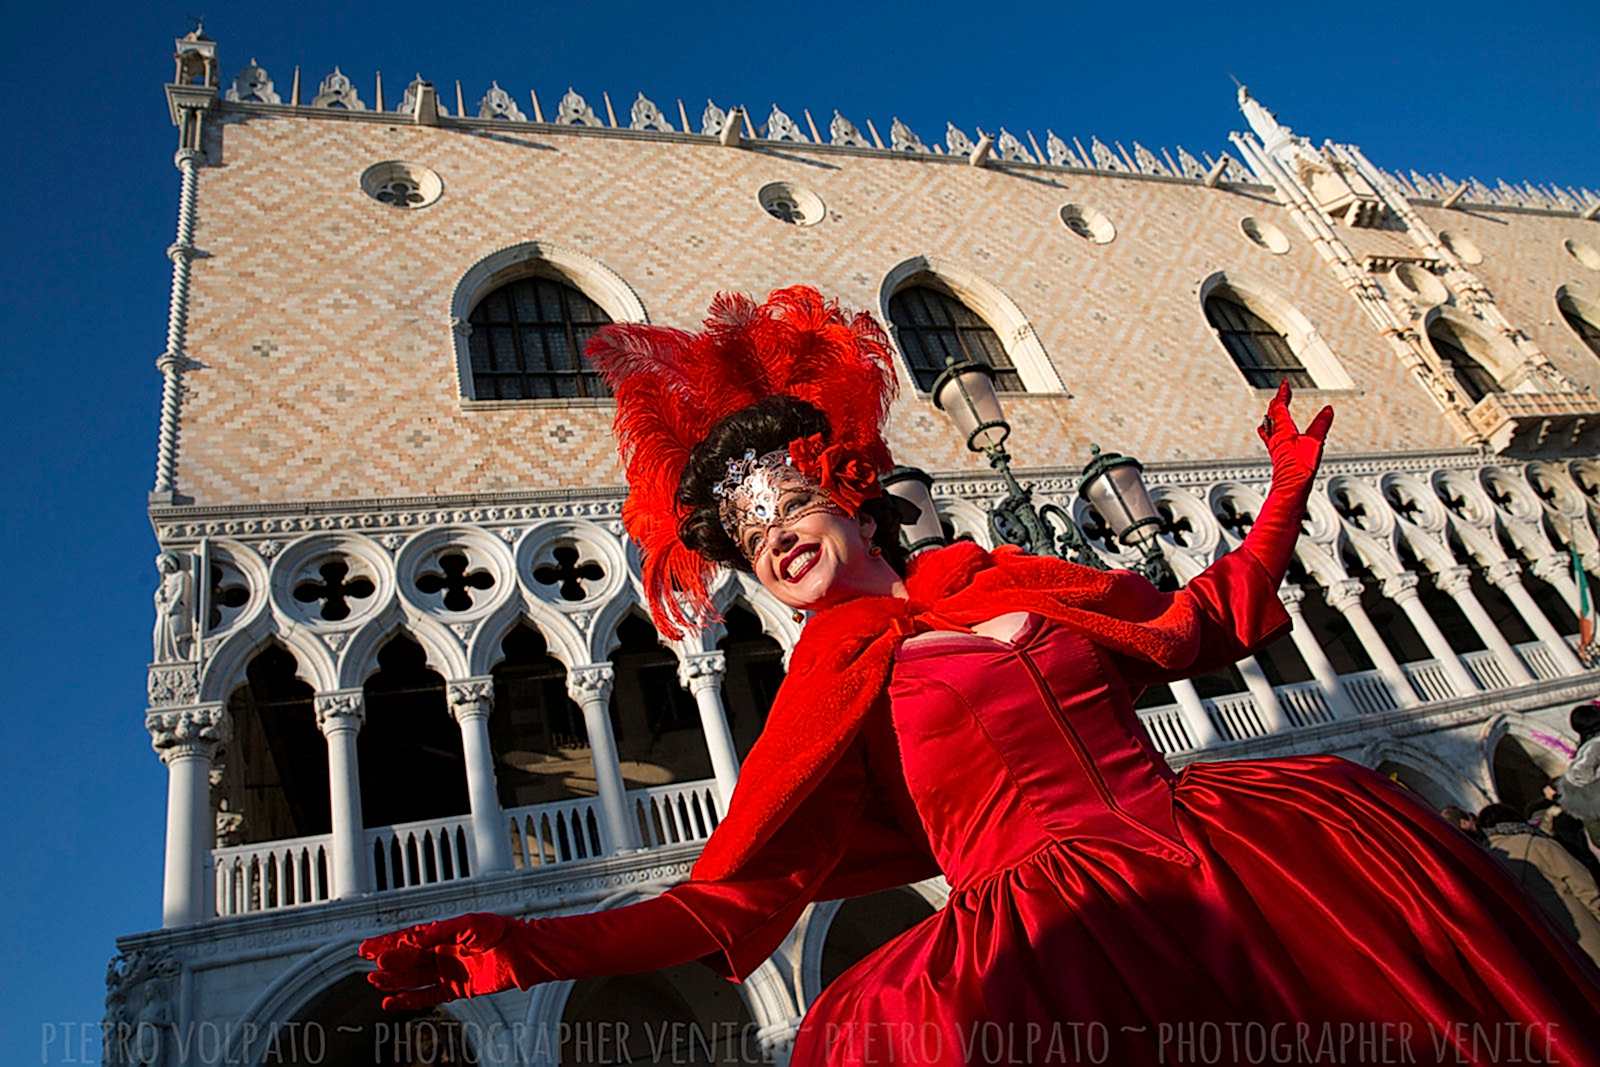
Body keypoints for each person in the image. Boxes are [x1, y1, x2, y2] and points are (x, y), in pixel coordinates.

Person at [361, 287, 1600, 1066]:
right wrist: (510, 951)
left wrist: (1281, 489)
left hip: (1221, 852)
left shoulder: (993, 578)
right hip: (1058, 940)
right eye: (749, 541)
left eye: (789, 503)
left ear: (844, 496)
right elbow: (722, 906)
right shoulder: (825, 686)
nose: (775, 538)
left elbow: (1194, 628)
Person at [1479, 802, 1600, 967]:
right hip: (1581, 930)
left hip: (1541, 945)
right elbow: (1582, 884)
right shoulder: (1538, 843)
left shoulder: (1485, 861)